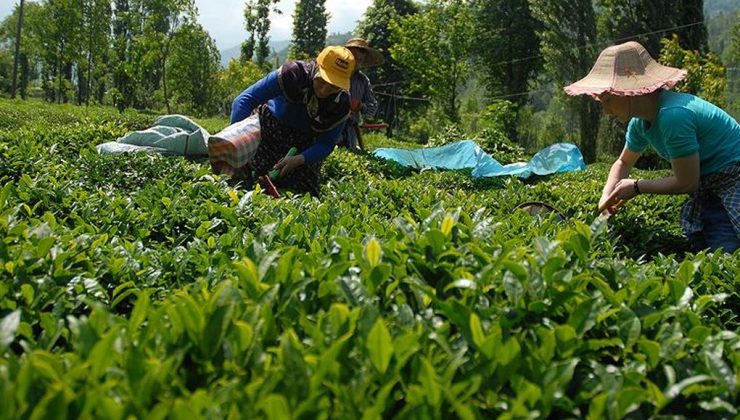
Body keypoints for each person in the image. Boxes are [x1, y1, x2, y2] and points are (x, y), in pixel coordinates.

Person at [564, 41, 740, 252]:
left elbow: (687, 183)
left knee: (725, 254)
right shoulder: (639, 124)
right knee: (703, 246)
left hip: (732, 180)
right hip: (709, 186)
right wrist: (606, 197)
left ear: (628, 91)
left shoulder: (673, 116)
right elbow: (623, 162)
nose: (606, 110)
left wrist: (637, 186)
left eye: (608, 100)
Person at [208, 45, 355, 194]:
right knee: (248, 178)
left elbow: (326, 143)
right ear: (316, 66)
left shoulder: (341, 104)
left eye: (333, 87)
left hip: (303, 145)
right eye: (321, 81)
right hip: (269, 130)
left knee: (304, 191)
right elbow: (244, 100)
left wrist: (298, 159)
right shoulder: (292, 74)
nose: (324, 90)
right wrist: (238, 144)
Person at [338, 38, 384, 152]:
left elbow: (373, 108)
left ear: (363, 62)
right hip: (330, 126)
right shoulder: (335, 73)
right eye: (353, 57)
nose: (355, 62)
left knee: (350, 156)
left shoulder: (363, 80)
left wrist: (360, 106)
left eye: (359, 60)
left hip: (351, 130)